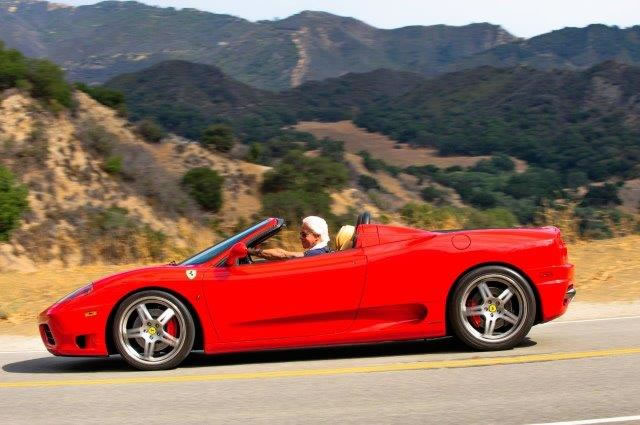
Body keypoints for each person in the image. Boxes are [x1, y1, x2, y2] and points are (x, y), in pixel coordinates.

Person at [248, 216, 331, 260]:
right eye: (300, 234)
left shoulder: (316, 254)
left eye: (304, 234)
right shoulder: (324, 250)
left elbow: (282, 255)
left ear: (317, 236)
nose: (300, 237)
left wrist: (251, 251)